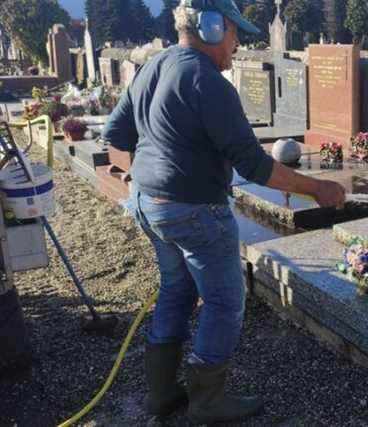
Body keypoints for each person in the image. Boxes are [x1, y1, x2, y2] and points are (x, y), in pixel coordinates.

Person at [102, 0, 346, 423]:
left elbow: (115, 138)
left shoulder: (152, 66)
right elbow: (254, 166)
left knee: (177, 290)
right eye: (234, 32)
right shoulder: (207, 81)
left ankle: (162, 394)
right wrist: (318, 188)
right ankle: (208, 402)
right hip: (193, 210)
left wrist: (147, 177)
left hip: (148, 204)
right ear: (212, 27)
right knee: (225, 300)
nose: (237, 44)